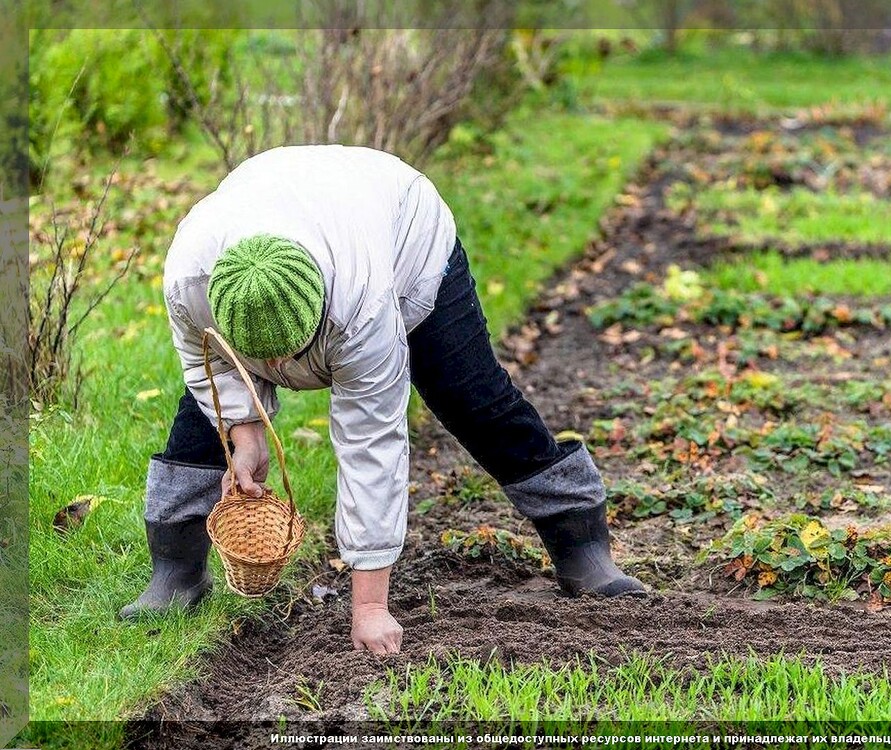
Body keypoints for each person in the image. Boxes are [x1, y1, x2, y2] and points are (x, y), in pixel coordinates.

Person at [119, 145, 646, 653]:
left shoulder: (362, 304)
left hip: (403, 233)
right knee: (202, 413)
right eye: (265, 363)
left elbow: (370, 442)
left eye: (290, 357)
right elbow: (207, 362)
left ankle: (578, 535)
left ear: (322, 317)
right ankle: (177, 570)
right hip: (291, 204)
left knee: (472, 399)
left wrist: (369, 605)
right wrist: (243, 430)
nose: (278, 374)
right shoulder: (191, 277)